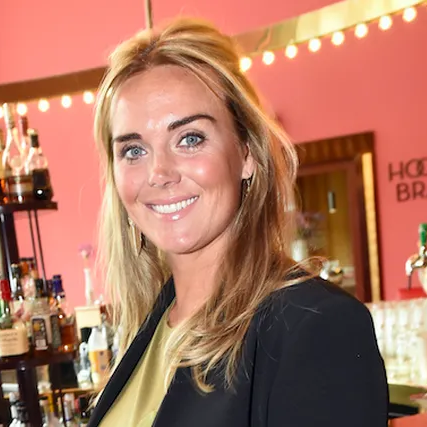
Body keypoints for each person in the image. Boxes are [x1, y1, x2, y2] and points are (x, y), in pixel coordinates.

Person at [89, 17, 388, 427]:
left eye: (190, 138)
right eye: (134, 150)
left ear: (246, 153)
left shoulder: (315, 326)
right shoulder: (155, 324)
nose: (159, 173)